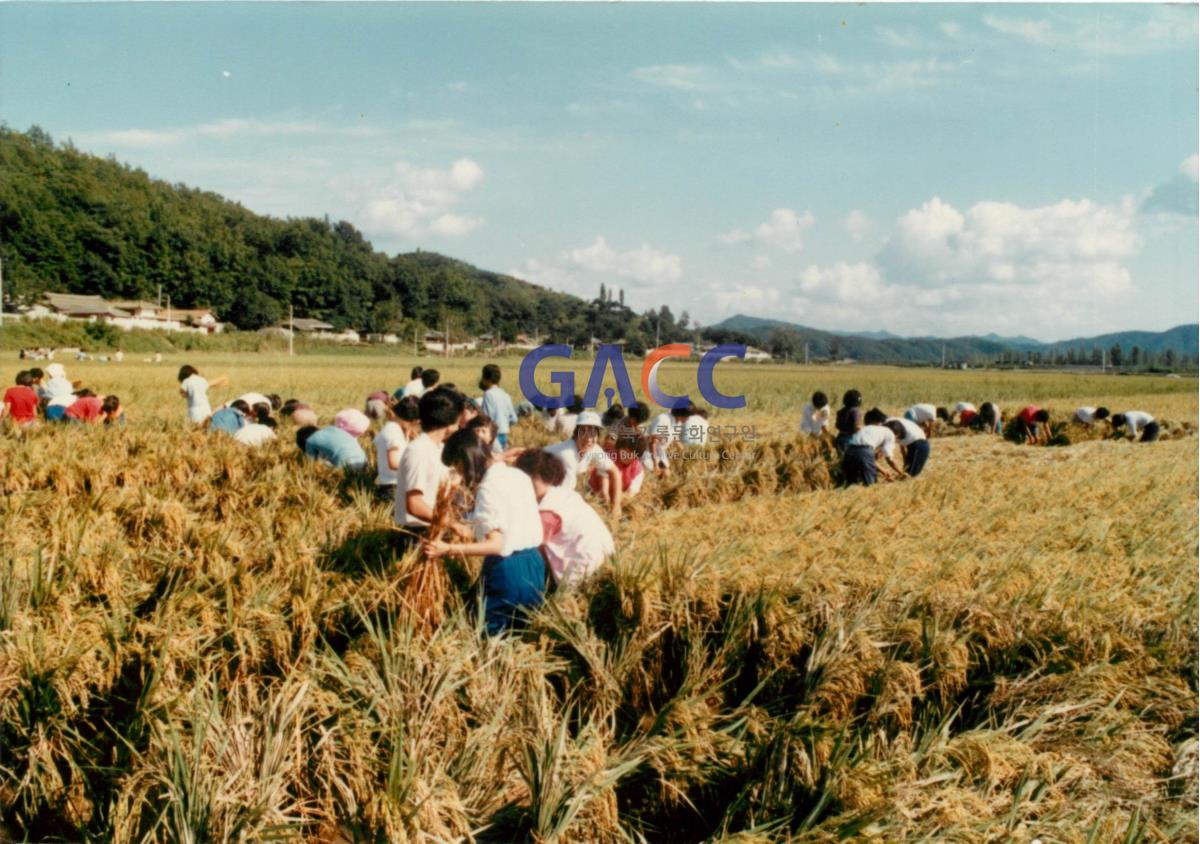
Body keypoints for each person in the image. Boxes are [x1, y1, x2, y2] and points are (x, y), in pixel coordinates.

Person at [423, 429, 545, 636]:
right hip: (534, 564)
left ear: (467, 460)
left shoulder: (489, 487)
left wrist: (447, 549)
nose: (460, 474)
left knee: (492, 637)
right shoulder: (517, 475)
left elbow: (496, 544)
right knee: (520, 634)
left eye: (459, 467)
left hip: (507, 570)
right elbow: (510, 521)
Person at [517, 449, 614, 589]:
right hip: (605, 553)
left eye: (531, 480)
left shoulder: (547, 512)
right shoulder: (563, 493)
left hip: (585, 562)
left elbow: (531, 547)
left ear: (548, 477)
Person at [395, 387, 466, 546]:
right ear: (449, 423)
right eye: (458, 421)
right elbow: (415, 504)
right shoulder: (419, 451)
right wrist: (453, 525)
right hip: (416, 535)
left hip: (433, 529)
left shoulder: (437, 448)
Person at [544, 410, 622, 518]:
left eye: (593, 432)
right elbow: (565, 496)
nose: (589, 438)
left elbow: (615, 472)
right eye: (583, 431)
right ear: (576, 433)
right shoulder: (567, 455)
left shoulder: (594, 449)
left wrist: (616, 506)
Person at [591, 402, 648, 499]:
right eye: (636, 421)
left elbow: (642, 446)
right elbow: (608, 442)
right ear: (631, 417)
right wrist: (622, 447)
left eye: (639, 422)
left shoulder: (640, 428)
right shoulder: (619, 424)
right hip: (615, 455)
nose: (637, 424)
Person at [369, 395, 419, 496]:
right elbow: (393, 463)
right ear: (413, 420)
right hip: (393, 487)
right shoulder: (393, 431)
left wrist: (407, 433)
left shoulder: (393, 428)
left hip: (394, 484)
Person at [479, 364, 518, 450]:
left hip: (494, 436)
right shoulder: (505, 395)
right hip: (505, 435)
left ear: (486, 379)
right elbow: (514, 419)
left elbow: (487, 417)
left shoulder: (488, 394)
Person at [297, 424, 368, 470]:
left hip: (346, 467)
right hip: (364, 461)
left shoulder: (309, 441)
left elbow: (311, 464)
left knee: (320, 460)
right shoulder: (332, 428)